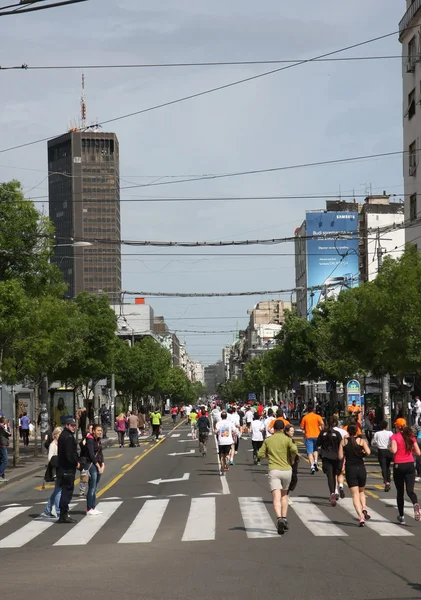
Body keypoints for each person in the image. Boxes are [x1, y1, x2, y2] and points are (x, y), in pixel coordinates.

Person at [257, 420, 297, 535]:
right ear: (283, 429)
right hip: (286, 469)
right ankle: (284, 518)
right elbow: (294, 450)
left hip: (274, 469)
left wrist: (268, 455)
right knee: (284, 495)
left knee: (276, 497)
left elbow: (260, 454)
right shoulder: (287, 439)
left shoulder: (268, 440)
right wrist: (292, 459)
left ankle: (279, 518)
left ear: (273, 429)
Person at [390, 417, 421, 523]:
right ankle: (415, 504)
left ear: (397, 427)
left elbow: (394, 450)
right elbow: (418, 452)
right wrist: (410, 451)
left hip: (399, 465)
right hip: (410, 465)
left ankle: (402, 516)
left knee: (400, 492)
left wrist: (389, 448)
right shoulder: (411, 437)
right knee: (410, 490)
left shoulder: (395, 437)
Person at [343, 423, 371, 527]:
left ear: (348, 432)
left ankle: (360, 517)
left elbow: (340, 455)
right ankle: (364, 506)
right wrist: (362, 452)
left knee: (354, 495)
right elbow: (368, 452)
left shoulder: (344, 442)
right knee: (361, 491)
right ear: (357, 431)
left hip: (350, 468)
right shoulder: (361, 441)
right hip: (361, 468)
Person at [317, 417, 344, 506]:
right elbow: (341, 445)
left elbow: (318, 443)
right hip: (336, 457)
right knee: (335, 475)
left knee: (330, 476)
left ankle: (332, 493)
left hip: (326, 457)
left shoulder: (322, 433)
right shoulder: (337, 434)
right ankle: (337, 489)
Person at [57, 418, 80, 524]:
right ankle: (63, 515)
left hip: (63, 467)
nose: (74, 427)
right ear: (67, 425)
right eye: (72, 425)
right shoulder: (68, 437)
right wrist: (76, 462)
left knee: (65, 491)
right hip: (67, 468)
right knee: (67, 491)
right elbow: (69, 454)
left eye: (75, 425)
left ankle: (63, 513)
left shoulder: (63, 435)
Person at [41, 427, 63, 518]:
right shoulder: (53, 445)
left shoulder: (61, 444)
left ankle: (47, 510)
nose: (60, 436)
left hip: (61, 469)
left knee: (57, 491)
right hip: (56, 471)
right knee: (59, 491)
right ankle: (58, 511)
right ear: (54, 435)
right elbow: (50, 458)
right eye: (59, 434)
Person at [85, 424, 105, 515]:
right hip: (91, 464)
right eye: (98, 430)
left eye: (100, 431)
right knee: (92, 487)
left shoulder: (98, 440)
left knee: (96, 487)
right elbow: (91, 455)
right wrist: (97, 465)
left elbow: (100, 453)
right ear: (93, 431)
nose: (100, 432)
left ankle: (93, 507)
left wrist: (103, 464)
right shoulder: (90, 440)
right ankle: (89, 508)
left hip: (99, 464)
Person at [300, 403, 324, 474]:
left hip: (308, 436)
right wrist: (321, 429)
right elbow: (322, 424)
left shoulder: (305, 417)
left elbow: (301, 427)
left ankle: (312, 466)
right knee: (315, 449)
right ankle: (316, 461)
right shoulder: (317, 416)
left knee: (309, 452)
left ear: (307, 410)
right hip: (317, 435)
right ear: (313, 409)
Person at [372, 420, 393, 492]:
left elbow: (373, 442)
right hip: (389, 450)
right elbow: (393, 440)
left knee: (383, 467)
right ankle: (388, 480)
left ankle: (386, 482)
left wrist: (377, 444)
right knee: (387, 466)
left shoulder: (377, 433)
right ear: (386, 426)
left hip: (381, 451)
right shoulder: (390, 433)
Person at [214, 411, 236, 475]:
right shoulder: (230, 423)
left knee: (221, 455)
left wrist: (216, 432)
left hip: (221, 441)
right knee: (227, 454)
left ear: (221, 417)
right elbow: (234, 431)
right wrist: (232, 434)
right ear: (226, 416)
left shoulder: (218, 423)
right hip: (228, 441)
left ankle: (222, 468)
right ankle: (228, 460)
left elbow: (216, 431)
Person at [285, 424, 299, 505]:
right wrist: (292, 459)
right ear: (286, 431)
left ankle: (286, 494)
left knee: (293, 479)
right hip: (289, 462)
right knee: (290, 479)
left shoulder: (291, 439)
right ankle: (286, 496)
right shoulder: (287, 440)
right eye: (291, 431)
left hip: (294, 462)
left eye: (293, 431)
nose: (293, 432)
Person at [78, 424, 93, 497]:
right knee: (84, 476)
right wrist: (83, 443)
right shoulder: (86, 437)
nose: (91, 430)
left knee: (92, 476)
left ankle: (91, 490)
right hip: (84, 459)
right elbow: (81, 445)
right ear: (88, 429)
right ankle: (82, 491)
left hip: (92, 460)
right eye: (90, 428)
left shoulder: (94, 438)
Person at [0, 417, 11, 483]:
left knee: (1, 460)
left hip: (1, 444)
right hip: (2, 445)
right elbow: (9, 434)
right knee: (5, 461)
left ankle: (2, 475)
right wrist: (8, 427)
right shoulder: (1, 428)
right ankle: (0, 475)